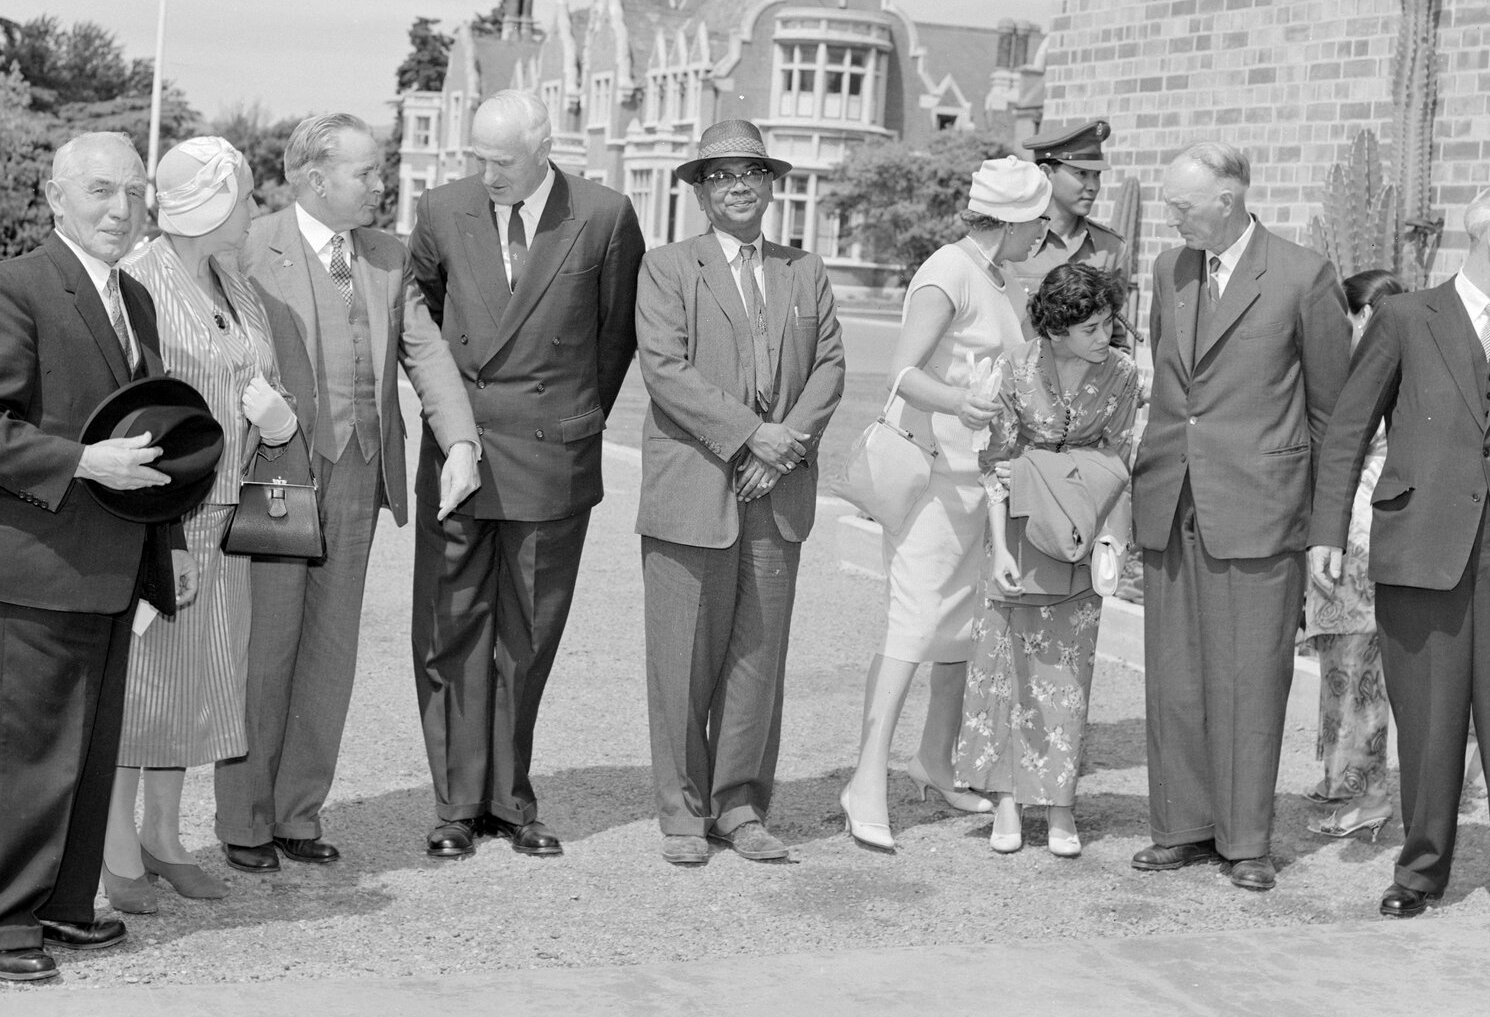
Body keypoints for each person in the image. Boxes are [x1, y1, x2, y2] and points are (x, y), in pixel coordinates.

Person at [1311, 184, 1490, 919]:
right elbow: (1347, 430)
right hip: (1422, 552)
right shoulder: (1405, 319)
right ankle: (1419, 875)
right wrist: (1325, 532)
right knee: (1430, 724)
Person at [0, 131, 179, 982]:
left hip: (110, 572)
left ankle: (63, 908)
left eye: (136, 194)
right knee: (20, 755)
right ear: (56, 196)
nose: (122, 210)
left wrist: (161, 553)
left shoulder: (136, 301)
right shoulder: (10, 287)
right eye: (103, 192)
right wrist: (80, 460)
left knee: (83, 751)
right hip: (29, 568)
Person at [216, 113, 482, 872]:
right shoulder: (248, 249)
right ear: (311, 176)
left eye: (380, 170)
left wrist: (459, 438)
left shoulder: (390, 258)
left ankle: (298, 813)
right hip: (276, 471)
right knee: (267, 649)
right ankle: (242, 820)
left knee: (331, 650)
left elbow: (425, 352)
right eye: (366, 172)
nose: (381, 184)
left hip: (361, 471)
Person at [407, 90, 644, 858]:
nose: (487, 172)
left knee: (528, 634)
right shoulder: (444, 210)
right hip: (460, 453)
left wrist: (574, 422)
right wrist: (458, 425)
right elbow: (424, 321)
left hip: (551, 456)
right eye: (477, 157)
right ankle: (454, 804)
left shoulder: (604, 215)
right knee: (449, 631)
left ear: (545, 148)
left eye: (501, 161)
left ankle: (510, 802)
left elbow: (614, 342)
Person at [1132, 142, 1352, 892]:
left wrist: (1326, 529)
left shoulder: (1301, 276)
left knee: (1251, 677)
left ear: (1227, 200)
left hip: (1262, 508)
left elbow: (1334, 416)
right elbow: (1171, 384)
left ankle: (1247, 841)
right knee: (1176, 675)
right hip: (1172, 500)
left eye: (1182, 205)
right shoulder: (1170, 271)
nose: (1171, 216)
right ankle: (1182, 827)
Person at [634, 121, 847, 867]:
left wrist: (784, 443)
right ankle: (683, 813)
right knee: (681, 659)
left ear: (771, 183)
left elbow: (829, 368)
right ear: (698, 190)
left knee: (757, 659)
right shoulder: (667, 268)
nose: (738, 187)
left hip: (776, 490)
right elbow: (664, 369)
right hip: (693, 486)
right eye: (720, 176)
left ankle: (741, 805)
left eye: (751, 173)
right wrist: (751, 436)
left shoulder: (803, 269)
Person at [97, 139, 294, 912]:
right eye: (243, 198)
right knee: (142, 687)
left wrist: (276, 417)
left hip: (227, 523)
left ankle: (165, 838)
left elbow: (258, 375)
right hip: (164, 522)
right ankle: (116, 847)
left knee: (197, 686)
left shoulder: (234, 283)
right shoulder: (139, 283)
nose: (252, 212)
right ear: (210, 207)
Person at [837, 156, 1052, 850]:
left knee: (959, 625)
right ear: (1014, 220)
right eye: (1040, 221)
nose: (1045, 234)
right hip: (932, 478)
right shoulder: (948, 271)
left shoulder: (999, 276)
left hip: (976, 483)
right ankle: (865, 778)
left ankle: (934, 759)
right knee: (914, 620)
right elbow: (903, 370)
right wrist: (965, 401)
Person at [957, 262, 1138, 857]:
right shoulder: (1016, 367)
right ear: (1055, 331)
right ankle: (1005, 803)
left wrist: (1112, 544)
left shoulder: (1122, 374)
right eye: (1089, 327)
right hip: (1014, 528)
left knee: (1067, 675)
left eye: (1108, 321)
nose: (1103, 335)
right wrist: (1001, 549)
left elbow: (1118, 463)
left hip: (1080, 531)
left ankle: (1060, 807)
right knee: (1003, 669)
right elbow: (997, 461)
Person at [1302, 267, 1406, 842]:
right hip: (1356, 536)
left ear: (1365, 317)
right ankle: (1346, 780)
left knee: (1357, 672)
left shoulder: (1379, 371)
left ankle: (1365, 794)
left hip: (1360, 539)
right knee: (1346, 670)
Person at [1006, 118, 1130, 337]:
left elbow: (1115, 338)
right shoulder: (1011, 242)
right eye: (1081, 173)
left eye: (1097, 175)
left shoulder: (1111, 248)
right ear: (1045, 172)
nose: (1093, 186)